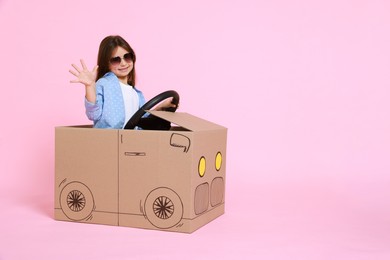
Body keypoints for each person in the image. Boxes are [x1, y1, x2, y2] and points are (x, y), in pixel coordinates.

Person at [69, 35, 176, 128]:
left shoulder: (136, 93)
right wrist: (90, 86)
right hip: (108, 140)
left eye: (127, 57)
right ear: (106, 63)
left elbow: (141, 119)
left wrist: (161, 107)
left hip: (131, 142)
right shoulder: (104, 84)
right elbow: (93, 114)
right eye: (116, 60)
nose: (123, 63)